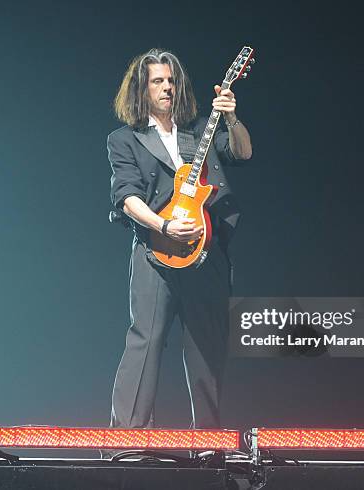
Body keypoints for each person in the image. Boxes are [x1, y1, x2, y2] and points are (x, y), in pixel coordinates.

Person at [107, 48, 252, 434]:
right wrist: (163, 226)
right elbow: (126, 195)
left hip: (206, 251)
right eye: (157, 81)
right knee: (146, 340)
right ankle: (129, 439)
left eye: (171, 80)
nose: (166, 87)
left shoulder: (199, 129)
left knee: (207, 346)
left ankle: (208, 440)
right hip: (156, 253)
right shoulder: (125, 140)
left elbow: (242, 152)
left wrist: (232, 117)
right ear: (141, 89)